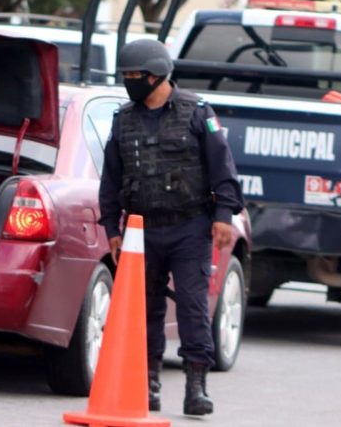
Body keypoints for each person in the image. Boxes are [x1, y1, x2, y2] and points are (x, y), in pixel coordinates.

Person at [98, 39, 244, 416]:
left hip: (189, 227)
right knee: (145, 309)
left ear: (157, 75)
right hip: (140, 230)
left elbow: (223, 168)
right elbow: (110, 180)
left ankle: (196, 386)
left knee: (193, 306)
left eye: (135, 75)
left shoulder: (197, 112)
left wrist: (223, 215)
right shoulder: (122, 119)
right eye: (126, 75)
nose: (129, 82)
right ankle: (147, 383)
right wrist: (112, 228)